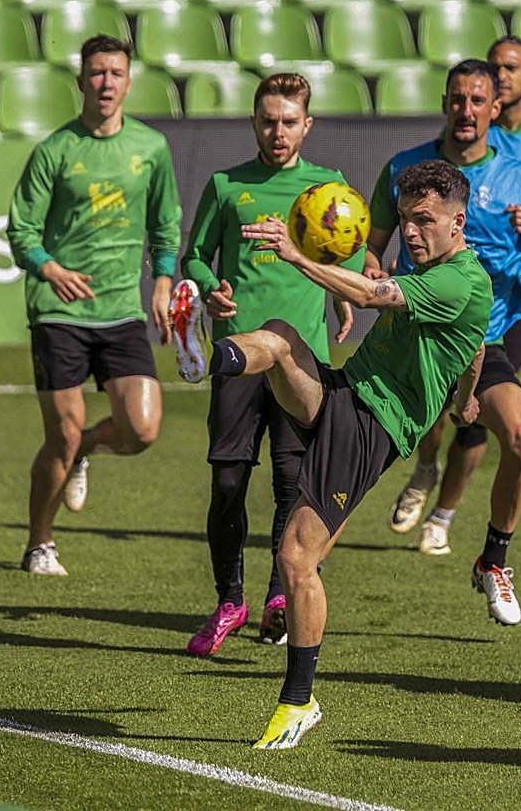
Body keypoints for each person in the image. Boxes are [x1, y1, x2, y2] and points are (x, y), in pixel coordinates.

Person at [209, 159, 491, 749]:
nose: (409, 233)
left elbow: (368, 294)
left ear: (457, 221)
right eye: (405, 220)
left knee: (296, 558)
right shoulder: (441, 275)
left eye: (424, 221)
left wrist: (295, 256)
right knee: (283, 336)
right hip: (345, 396)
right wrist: (465, 403)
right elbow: (475, 352)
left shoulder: (459, 280)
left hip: (373, 424)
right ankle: (202, 357)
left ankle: (298, 701)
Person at [386, 35, 521, 555]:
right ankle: (424, 468)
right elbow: (382, 238)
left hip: (516, 298)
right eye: (493, 70)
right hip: (435, 304)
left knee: (478, 414)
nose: (499, 79)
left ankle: (444, 515)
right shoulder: (429, 167)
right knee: (438, 407)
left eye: (509, 70)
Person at [365, 59, 521, 625]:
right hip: (418, 334)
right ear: (444, 102)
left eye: (478, 101)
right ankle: (424, 471)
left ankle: (494, 560)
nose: (467, 110)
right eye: (457, 99)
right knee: (409, 437)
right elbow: (373, 248)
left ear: (495, 108)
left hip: (487, 338)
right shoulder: (404, 168)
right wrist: (369, 279)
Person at [169, 73, 358, 656]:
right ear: (254, 122)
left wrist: (346, 291)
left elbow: (347, 249)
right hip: (239, 355)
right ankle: (230, 600)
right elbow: (195, 256)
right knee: (227, 483)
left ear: (308, 124)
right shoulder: (228, 185)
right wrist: (210, 289)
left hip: (303, 362)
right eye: (268, 120)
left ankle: (280, 597)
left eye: (289, 121)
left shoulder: (327, 187)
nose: (278, 132)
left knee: (292, 483)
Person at [7, 34, 180, 576]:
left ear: (129, 82)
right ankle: (40, 542)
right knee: (60, 431)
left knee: (142, 431)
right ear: (81, 81)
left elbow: (165, 223)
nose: (106, 82)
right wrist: (50, 269)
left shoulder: (151, 148)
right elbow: (20, 230)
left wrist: (163, 279)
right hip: (58, 313)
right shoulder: (55, 151)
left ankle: (84, 452)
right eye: (97, 73)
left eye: (116, 73)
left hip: (121, 311)